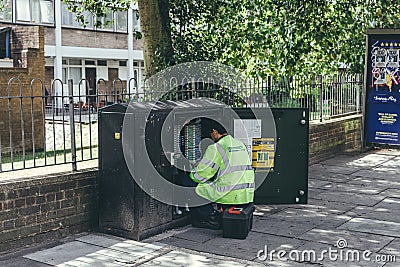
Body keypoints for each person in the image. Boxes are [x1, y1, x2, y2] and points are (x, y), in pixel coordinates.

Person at [186, 122, 255, 230]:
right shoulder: (240, 144)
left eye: (211, 134)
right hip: (246, 193)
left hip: (229, 194)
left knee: (189, 182)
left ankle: (208, 217)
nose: (211, 137)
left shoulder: (216, 147)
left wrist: (192, 171)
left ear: (214, 131)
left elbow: (201, 175)